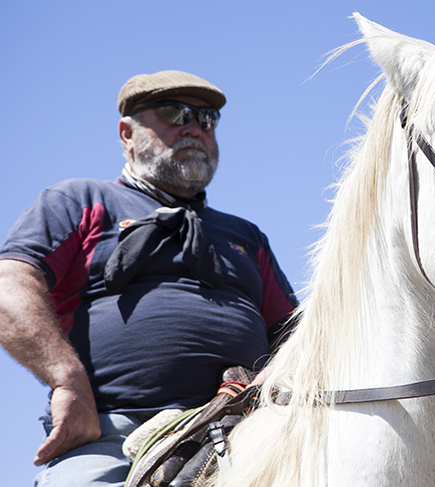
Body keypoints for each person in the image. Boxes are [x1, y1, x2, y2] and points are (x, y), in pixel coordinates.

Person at [0, 70, 299, 486]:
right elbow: (9, 283)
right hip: (110, 428)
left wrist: (278, 373)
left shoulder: (246, 236)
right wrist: (67, 380)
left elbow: (296, 332)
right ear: (127, 133)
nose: (194, 127)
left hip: (243, 423)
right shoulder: (81, 201)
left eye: (207, 118)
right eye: (173, 113)